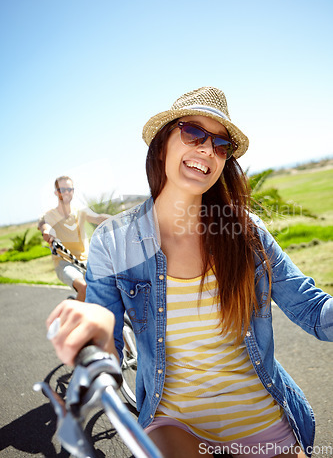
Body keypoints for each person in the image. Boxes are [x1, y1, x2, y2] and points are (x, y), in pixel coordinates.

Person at [47, 87, 333, 458]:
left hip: (262, 420)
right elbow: (109, 348)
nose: (206, 149)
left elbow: (312, 310)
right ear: (163, 144)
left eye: (219, 145)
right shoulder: (114, 242)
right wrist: (94, 340)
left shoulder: (246, 234)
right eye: (193, 133)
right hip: (175, 423)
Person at [38, 175, 110, 301]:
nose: (67, 192)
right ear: (56, 192)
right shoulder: (50, 215)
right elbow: (44, 224)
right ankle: (75, 318)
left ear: (73, 191)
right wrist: (47, 231)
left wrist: (119, 219)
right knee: (84, 287)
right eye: (62, 189)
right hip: (65, 263)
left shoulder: (80, 212)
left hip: (88, 261)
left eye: (69, 189)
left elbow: (98, 218)